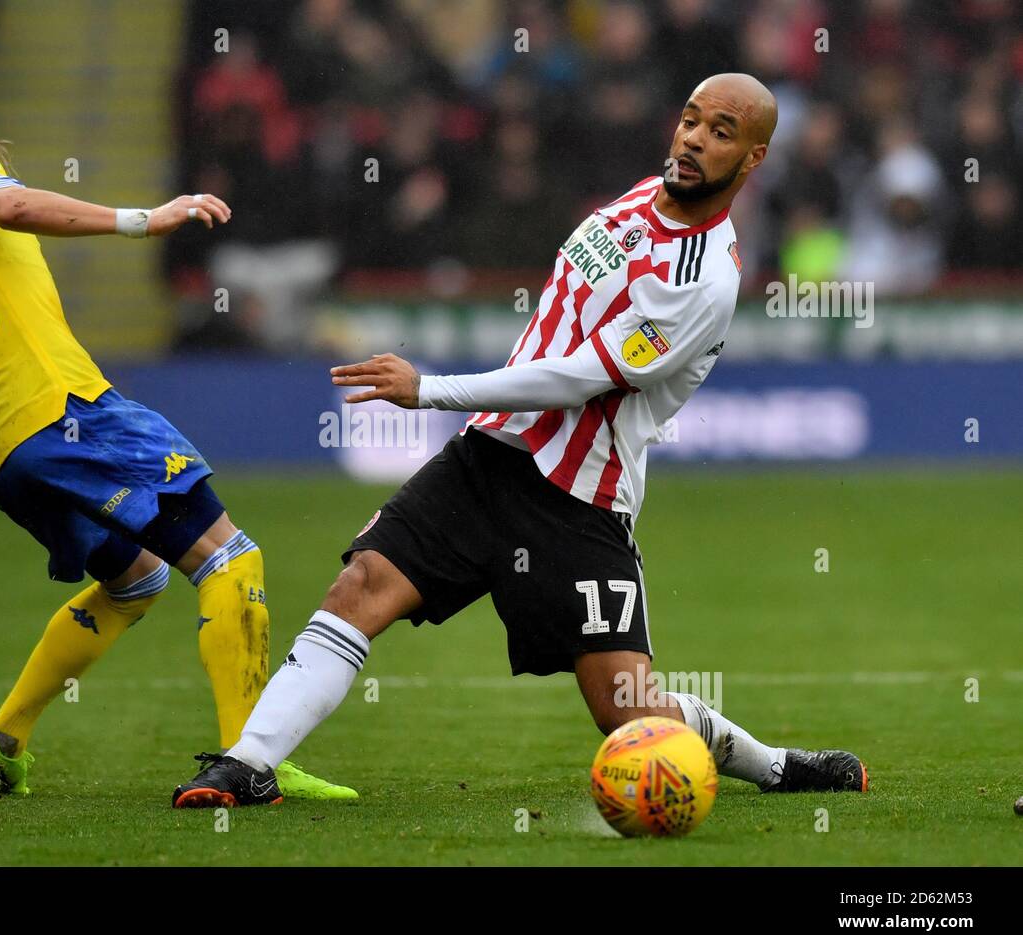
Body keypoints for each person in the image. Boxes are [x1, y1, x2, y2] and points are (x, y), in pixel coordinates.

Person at [173, 74, 867, 808]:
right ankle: (247, 764)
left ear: (754, 158)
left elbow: (577, 379)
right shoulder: (634, 199)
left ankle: (777, 766)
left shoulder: (703, 280)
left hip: (577, 498)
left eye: (721, 132)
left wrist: (431, 390)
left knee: (627, 715)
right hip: (486, 458)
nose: (694, 139)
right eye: (691, 120)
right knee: (361, 585)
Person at [0, 97, 353, 801]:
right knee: (229, 555)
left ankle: (2, 741)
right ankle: (250, 763)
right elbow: (10, 206)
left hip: (5, 455)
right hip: (66, 409)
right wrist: (144, 220)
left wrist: (25, 457)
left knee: (137, 579)